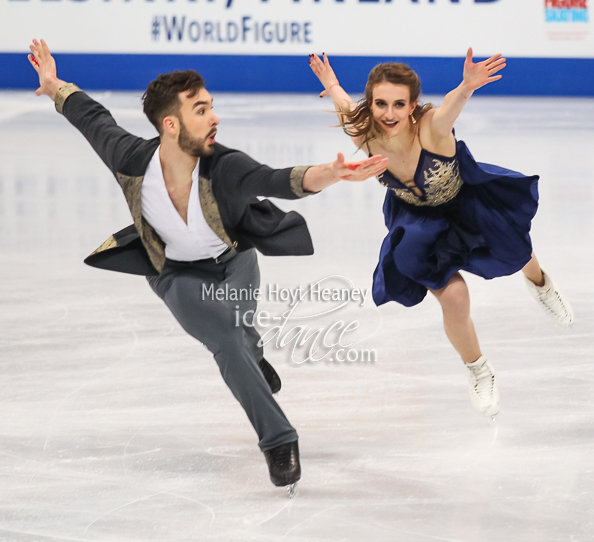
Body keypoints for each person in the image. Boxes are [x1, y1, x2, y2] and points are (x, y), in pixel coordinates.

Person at [27, 39, 388, 496]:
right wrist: (55, 85)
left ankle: (255, 357)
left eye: (211, 106)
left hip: (236, 260)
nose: (214, 117)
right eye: (201, 110)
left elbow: (278, 180)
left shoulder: (227, 166)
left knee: (241, 335)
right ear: (171, 124)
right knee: (227, 343)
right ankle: (279, 440)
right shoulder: (131, 160)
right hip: (175, 274)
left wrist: (332, 173)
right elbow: (93, 118)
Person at [308, 50, 574, 418]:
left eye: (399, 104)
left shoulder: (432, 127)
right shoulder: (363, 131)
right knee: (455, 299)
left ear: (413, 105)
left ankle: (540, 283)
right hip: (419, 224)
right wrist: (331, 83)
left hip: (466, 203)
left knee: (515, 248)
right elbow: (342, 100)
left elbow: (451, 105)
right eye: (380, 103)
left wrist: (466, 86)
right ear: (369, 104)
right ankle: (478, 368)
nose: (388, 113)